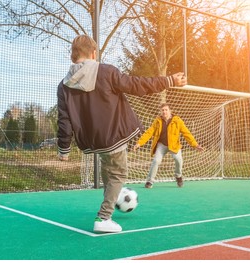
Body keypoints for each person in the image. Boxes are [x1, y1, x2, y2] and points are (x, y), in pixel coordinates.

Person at [56, 35, 187, 233]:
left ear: (73, 57)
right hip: (114, 136)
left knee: (109, 170)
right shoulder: (107, 72)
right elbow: (136, 85)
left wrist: (63, 149)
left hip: (94, 141)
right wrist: (168, 80)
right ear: (93, 53)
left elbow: (64, 120)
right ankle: (104, 217)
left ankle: (113, 196)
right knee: (118, 173)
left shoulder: (64, 85)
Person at [133, 103, 203, 188]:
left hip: (174, 145)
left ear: (170, 111)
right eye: (162, 110)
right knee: (156, 161)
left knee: (178, 159)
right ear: (160, 111)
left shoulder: (177, 120)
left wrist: (195, 145)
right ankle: (150, 181)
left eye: (166, 110)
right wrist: (139, 143)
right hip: (161, 145)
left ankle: (178, 176)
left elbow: (186, 133)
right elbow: (149, 132)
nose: (164, 112)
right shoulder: (157, 121)